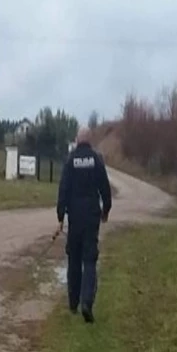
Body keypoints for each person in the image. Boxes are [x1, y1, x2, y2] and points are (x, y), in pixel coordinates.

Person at [55, 127, 112, 323]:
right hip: (91, 217)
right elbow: (105, 187)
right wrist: (106, 210)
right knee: (89, 259)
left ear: (77, 140)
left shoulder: (71, 160)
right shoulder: (96, 160)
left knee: (74, 258)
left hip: (76, 217)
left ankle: (73, 302)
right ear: (90, 141)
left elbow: (63, 188)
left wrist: (60, 215)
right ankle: (87, 301)